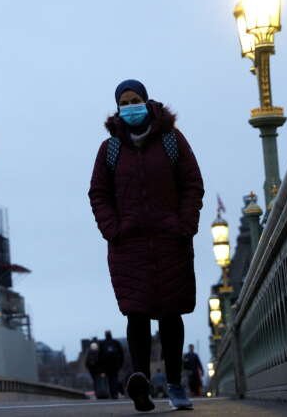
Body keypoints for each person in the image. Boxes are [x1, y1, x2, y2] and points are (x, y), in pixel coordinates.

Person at [88, 79, 204, 412]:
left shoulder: (171, 140)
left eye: (135, 99)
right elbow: (98, 193)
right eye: (124, 102)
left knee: (171, 315)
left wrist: (185, 225)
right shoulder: (109, 150)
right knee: (136, 314)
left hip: (171, 240)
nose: (130, 106)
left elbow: (192, 183)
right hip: (129, 246)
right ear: (118, 108)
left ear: (146, 101)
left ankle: (174, 384)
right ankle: (140, 380)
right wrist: (113, 229)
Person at [99, 330, 124, 399]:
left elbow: (99, 356)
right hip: (115, 365)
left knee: (109, 380)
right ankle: (115, 393)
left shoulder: (103, 344)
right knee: (115, 378)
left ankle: (112, 393)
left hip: (106, 366)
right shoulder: (115, 343)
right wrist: (121, 364)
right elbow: (121, 354)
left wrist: (101, 367)